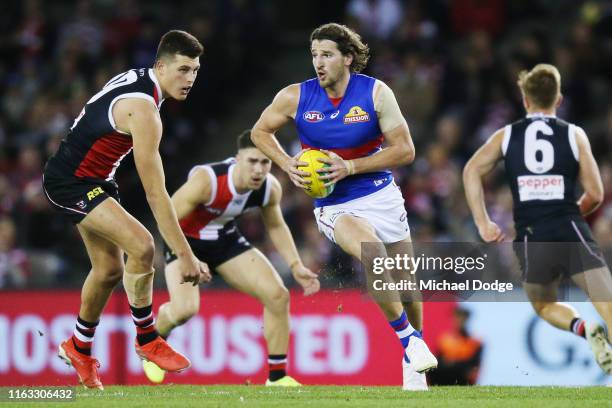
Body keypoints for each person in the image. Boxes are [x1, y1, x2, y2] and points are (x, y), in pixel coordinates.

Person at [251, 22, 437, 391]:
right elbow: (259, 131)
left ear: (348, 58)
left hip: (381, 196)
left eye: (327, 55)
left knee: (408, 288)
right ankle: (408, 341)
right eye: (314, 55)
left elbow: (406, 150)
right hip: (335, 205)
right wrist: (287, 164)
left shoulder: (375, 93)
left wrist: (350, 166)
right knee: (373, 253)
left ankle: (413, 363)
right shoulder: (295, 97)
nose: (318, 63)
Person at [42, 30, 211, 390]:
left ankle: (78, 347)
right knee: (143, 246)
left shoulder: (141, 79)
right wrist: (184, 255)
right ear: (161, 66)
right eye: (183, 70)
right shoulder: (145, 109)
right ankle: (148, 339)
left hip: (95, 180)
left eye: (195, 70)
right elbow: (155, 192)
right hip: (70, 182)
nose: (190, 79)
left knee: (107, 270)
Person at [463, 63, 612, 374]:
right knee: (607, 303)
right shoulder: (574, 134)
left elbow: (471, 170)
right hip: (571, 225)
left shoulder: (506, 135)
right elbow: (596, 194)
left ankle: (584, 328)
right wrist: (569, 212)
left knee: (543, 305)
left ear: (525, 100)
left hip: (533, 234)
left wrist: (483, 221)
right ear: (558, 100)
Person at [144, 130, 320, 386]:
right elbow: (167, 218)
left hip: (224, 241)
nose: (259, 170)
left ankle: (277, 379)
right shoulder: (208, 181)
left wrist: (296, 265)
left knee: (278, 296)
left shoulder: (269, 188)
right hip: (184, 240)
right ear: (238, 159)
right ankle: (153, 345)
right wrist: (188, 258)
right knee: (185, 310)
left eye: (265, 162)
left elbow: (276, 225)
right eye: (252, 161)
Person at [428, 307, 482, 386]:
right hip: (443, 376)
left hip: (462, 377)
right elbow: (438, 360)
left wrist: (453, 363)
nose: (459, 321)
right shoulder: (445, 340)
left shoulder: (474, 342)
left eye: (462, 318)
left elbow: (473, 364)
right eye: (457, 317)